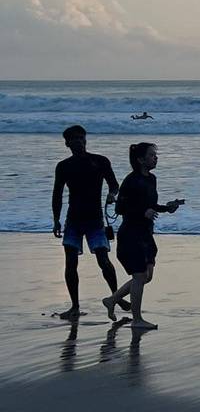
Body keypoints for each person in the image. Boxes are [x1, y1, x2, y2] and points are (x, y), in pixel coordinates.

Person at [102, 143, 183, 329]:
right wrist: (142, 212)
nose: (156, 158)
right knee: (139, 276)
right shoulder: (131, 180)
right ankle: (137, 319)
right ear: (140, 159)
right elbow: (120, 208)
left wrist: (167, 208)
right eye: (152, 155)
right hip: (131, 234)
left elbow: (150, 206)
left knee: (147, 276)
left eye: (155, 155)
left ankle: (112, 299)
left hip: (146, 233)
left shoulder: (152, 179)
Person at [52, 125, 122, 319]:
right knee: (70, 263)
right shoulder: (63, 166)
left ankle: (116, 296)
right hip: (73, 220)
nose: (78, 141)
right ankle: (75, 306)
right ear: (67, 144)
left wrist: (112, 195)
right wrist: (56, 220)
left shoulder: (100, 161)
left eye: (81, 137)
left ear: (85, 139)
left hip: (95, 220)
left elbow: (114, 185)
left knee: (104, 261)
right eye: (73, 139)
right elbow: (57, 194)